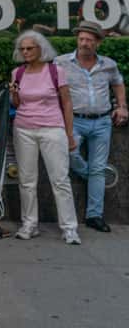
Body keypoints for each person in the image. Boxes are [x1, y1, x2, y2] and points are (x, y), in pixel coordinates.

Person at [8, 30, 80, 244]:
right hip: (23, 129)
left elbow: (67, 103)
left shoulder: (56, 71)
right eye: (22, 49)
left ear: (41, 48)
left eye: (30, 48)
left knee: (60, 180)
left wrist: (69, 134)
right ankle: (29, 224)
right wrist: (13, 93)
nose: (26, 52)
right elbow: (17, 105)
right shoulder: (17, 73)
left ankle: (69, 228)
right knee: (27, 181)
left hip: (52, 129)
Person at [56, 20, 127, 233]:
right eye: (81, 39)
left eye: (89, 40)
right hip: (74, 120)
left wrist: (122, 106)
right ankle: (95, 176)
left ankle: (94, 216)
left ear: (98, 43)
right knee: (70, 156)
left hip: (103, 121)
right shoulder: (61, 63)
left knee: (98, 166)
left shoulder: (109, 64)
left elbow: (118, 83)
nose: (84, 43)